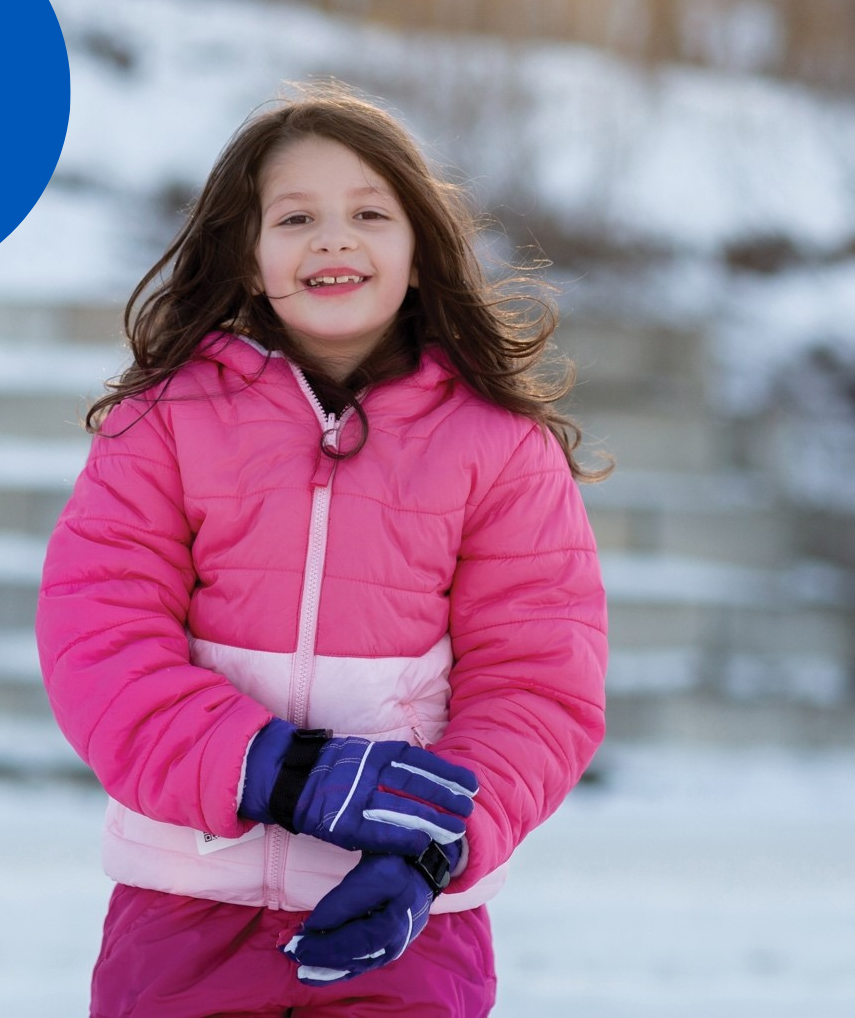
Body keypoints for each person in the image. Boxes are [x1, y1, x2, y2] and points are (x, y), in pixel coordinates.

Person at [37, 84, 608, 1017]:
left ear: (420, 252)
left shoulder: (501, 449)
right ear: (248, 258)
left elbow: (539, 685)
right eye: (297, 216)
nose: (334, 239)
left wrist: (434, 849)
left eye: (370, 214)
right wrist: (280, 772)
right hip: (184, 903)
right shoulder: (164, 423)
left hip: (407, 922)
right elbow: (100, 644)